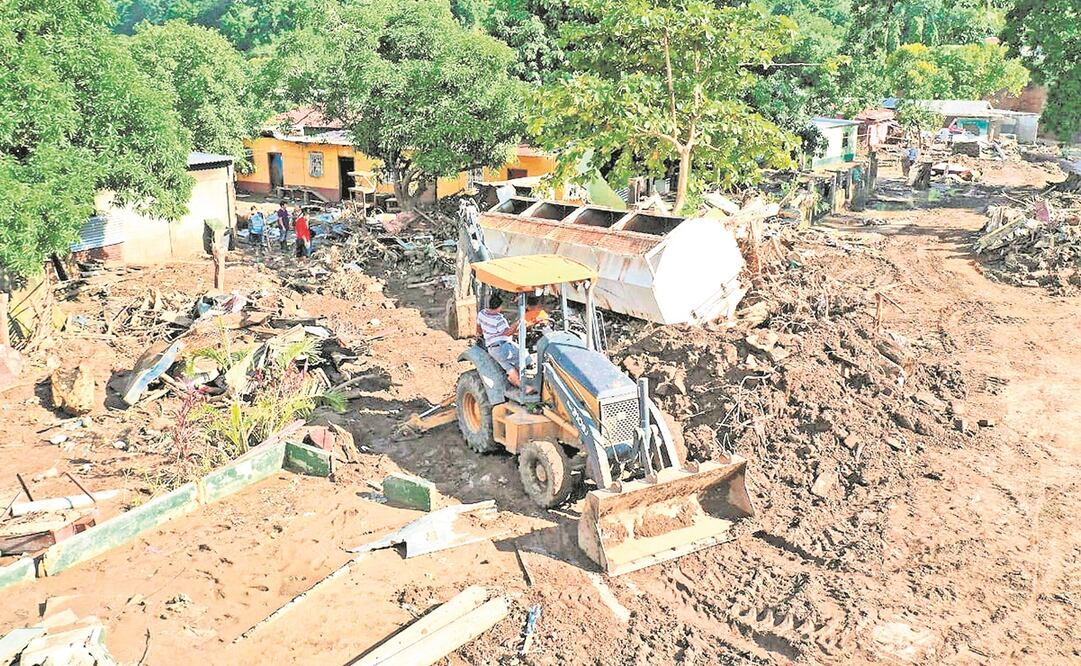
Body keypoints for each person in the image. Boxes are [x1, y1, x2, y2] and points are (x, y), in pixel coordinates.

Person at [477, 294, 529, 389]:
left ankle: (515, 380)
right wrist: (518, 322)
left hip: (492, 348)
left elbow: (479, 328)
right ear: (500, 306)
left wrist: (482, 334)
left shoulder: (482, 313)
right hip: (502, 348)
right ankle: (524, 381)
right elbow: (508, 333)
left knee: (508, 366)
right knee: (525, 356)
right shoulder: (499, 320)